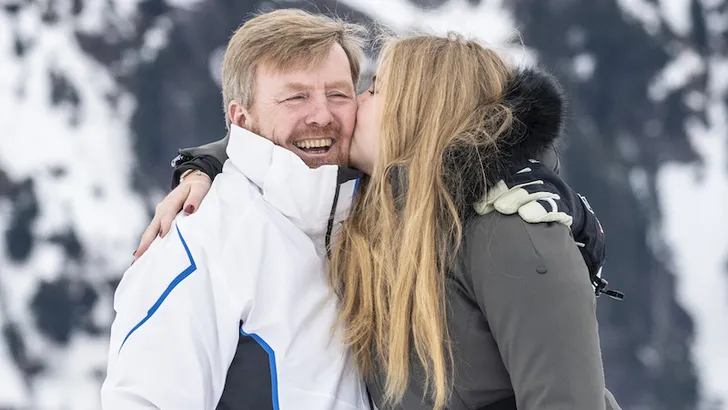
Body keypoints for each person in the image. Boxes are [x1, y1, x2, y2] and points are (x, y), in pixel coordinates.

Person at [134, 31, 621, 410]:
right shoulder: (381, 206)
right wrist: (205, 165)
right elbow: (278, 151)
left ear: (416, 112)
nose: (352, 107)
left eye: (374, 89)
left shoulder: (512, 227)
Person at [101, 9, 373, 409]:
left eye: (338, 94)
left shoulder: (374, 215)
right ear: (240, 119)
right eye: (296, 97)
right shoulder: (202, 239)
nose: (322, 115)